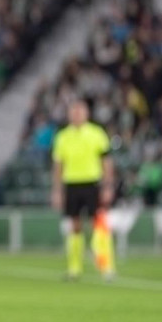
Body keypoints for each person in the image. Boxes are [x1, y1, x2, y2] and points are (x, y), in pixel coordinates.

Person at [51, 100, 115, 280]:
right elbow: (58, 166)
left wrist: (108, 185)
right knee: (75, 226)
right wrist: (57, 190)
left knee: (99, 224)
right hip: (71, 183)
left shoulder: (97, 134)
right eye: (74, 111)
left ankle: (105, 266)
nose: (77, 114)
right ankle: (74, 268)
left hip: (92, 183)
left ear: (86, 113)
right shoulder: (62, 137)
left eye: (80, 111)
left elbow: (106, 161)